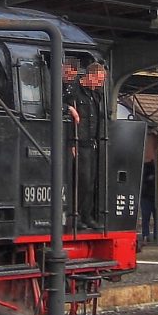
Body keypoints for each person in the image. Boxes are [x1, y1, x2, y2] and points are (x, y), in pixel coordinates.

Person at [65, 60, 105, 230]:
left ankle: (87, 215)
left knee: (91, 181)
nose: (100, 84)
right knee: (81, 180)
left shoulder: (95, 95)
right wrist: (68, 108)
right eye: (99, 80)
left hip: (92, 142)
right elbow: (59, 108)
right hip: (78, 142)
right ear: (90, 76)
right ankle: (75, 215)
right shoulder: (73, 90)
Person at [140, 158, 156, 243]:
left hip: (146, 195)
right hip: (151, 196)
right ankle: (155, 235)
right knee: (155, 218)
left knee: (145, 218)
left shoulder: (145, 167)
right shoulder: (148, 167)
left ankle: (146, 235)